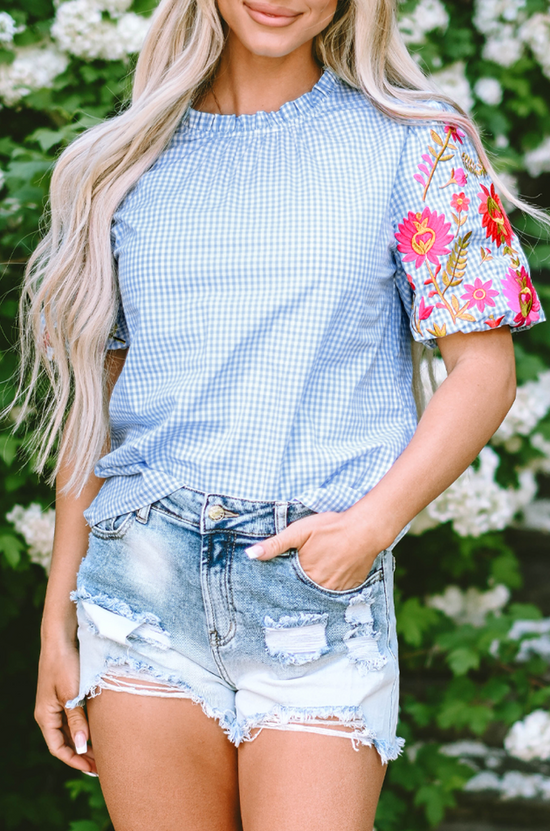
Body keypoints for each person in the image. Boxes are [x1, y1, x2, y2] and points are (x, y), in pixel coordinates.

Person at [16, 0, 545, 828]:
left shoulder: (417, 142)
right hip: (140, 585)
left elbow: (484, 374)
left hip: (313, 588)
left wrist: (363, 533)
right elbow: (98, 414)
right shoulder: (121, 163)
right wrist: (57, 621)